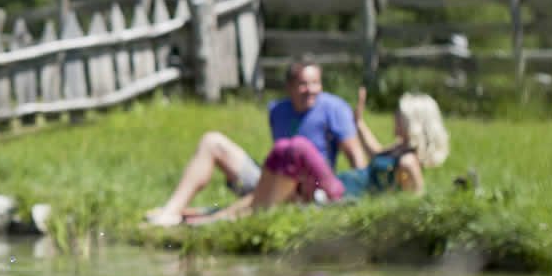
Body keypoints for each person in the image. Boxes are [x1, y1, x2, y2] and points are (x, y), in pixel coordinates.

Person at [143, 58, 364, 226]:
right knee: (212, 141)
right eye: (303, 84)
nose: (311, 90)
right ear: (289, 87)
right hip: (276, 178)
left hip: (310, 188)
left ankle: (216, 219)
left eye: (316, 83)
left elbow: (355, 156)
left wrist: (359, 196)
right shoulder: (278, 110)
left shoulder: (335, 109)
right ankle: (172, 211)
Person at [185, 90, 450, 223]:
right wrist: (358, 122)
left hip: (340, 196)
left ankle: (211, 220)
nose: (395, 118)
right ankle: (200, 216)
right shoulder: (397, 151)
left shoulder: (407, 163)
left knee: (296, 148)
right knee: (279, 186)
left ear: (414, 122)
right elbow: (374, 153)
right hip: (337, 185)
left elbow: (416, 204)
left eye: (399, 116)